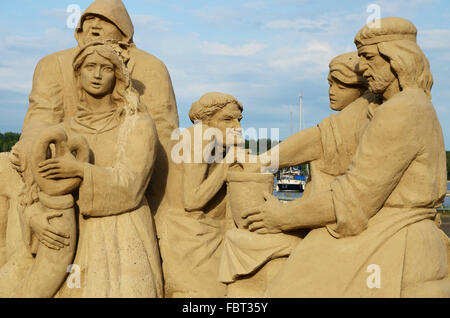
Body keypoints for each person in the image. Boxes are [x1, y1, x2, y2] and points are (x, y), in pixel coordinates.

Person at [245, 17, 450, 297]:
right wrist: (260, 163)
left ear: (396, 59)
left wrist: (282, 217)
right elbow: (322, 138)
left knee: (289, 288)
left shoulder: (403, 110)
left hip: (392, 237)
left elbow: (353, 199)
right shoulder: (384, 104)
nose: (363, 69)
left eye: (368, 57)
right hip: (385, 228)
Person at [10, 0, 180, 235]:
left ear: (123, 28)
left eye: (106, 20)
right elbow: (41, 116)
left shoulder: (151, 67)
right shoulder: (53, 64)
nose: (95, 27)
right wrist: (31, 146)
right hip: (66, 170)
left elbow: (165, 133)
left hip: (125, 172)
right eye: (89, 20)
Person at [38, 42, 162, 297]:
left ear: (117, 75)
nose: (97, 74)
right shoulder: (64, 131)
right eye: (90, 67)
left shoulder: (137, 124)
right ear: (78, 73)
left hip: (125, 235)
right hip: (78, 236)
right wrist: (33, 218)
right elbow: (42, 186)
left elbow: (132, 186)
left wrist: (81, 170)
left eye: (106, 68)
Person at [160, 92, 242, 297]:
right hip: (192, 238)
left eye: (238, 120)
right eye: (227, 119)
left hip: (199, 235)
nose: (237, 128)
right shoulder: (202, 136)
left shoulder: (204, 139)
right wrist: (227, 165)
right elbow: (193, 200)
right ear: (206, 120)